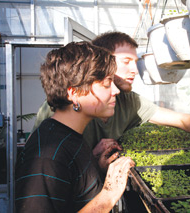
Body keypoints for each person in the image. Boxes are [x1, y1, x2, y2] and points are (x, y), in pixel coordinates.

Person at [33, 32, 190, 168]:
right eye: (126, 62)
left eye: (136, 62)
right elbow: (44, 169)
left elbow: (181, 120)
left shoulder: (127, 101)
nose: (134, 70)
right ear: (102, 62)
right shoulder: (60, 110)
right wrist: (90, 158)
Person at [15, 41, 135, 212]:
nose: (115, 90)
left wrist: (95, 169)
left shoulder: (71, 137)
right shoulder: (47, 156)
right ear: (75, 93)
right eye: (107, 83)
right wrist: (108, 195)